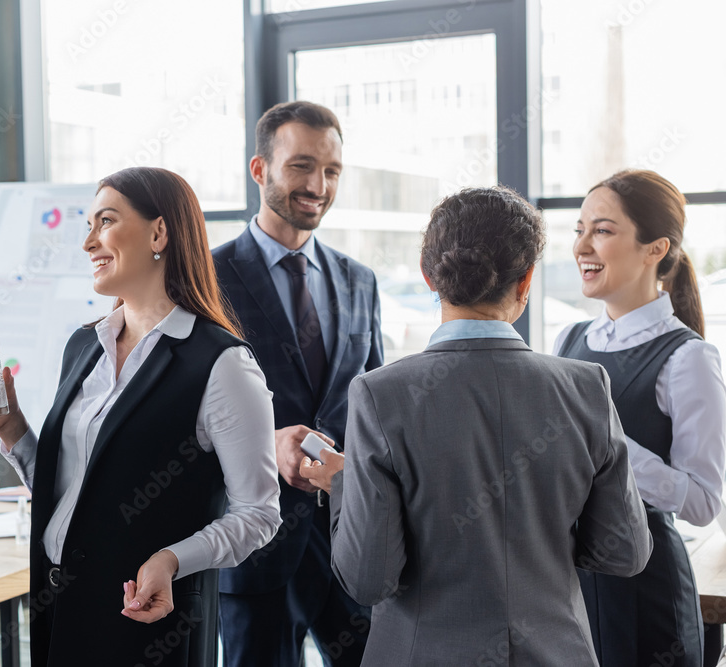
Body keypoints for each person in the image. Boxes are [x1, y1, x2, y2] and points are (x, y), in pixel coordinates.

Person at [300, 186, 653, 666]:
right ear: (526, 280)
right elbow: (625, 552)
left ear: (429, 276)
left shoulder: (382, 395)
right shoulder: (586, 387)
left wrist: (345, 483)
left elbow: (368, 579)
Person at [0, 166, 281, 666]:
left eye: (104, 222)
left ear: (158, 232)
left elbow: (259, 514)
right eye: (87, 225)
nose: (88, 243)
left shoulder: (222, 365)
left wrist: (172, 560)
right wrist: (8, 424)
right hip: (59, 605)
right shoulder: (85, 345)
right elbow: (71, 490)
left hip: (147, 620)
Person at [213, 100, 382, 666]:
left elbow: (376, 406)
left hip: (349, 541)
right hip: (254, 545)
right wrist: (267, 445)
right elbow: (179, 416)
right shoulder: (204, 280)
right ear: (259, 170)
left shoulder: (360, 281)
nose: (319, 185)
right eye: (302, 166)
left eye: (332, 171)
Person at [554, 169, 726, 666]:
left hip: (647, 588)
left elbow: (701, 503)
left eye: (603, 230)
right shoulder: (569, 341)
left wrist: (610, 445)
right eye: (580, 229)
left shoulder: (689, 358)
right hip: (575, 585)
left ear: (655, 248)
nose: (582, 245)